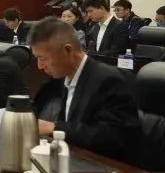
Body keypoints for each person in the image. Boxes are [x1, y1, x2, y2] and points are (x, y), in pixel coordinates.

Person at [30, 17, 141, 161]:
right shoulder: (62, 78)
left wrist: (55, 128)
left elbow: (115, 137)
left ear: (67, 50)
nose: (39, 66)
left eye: (43, 58)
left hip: (105, 166)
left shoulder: (109, 80)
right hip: (73, 159)